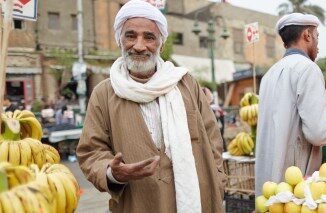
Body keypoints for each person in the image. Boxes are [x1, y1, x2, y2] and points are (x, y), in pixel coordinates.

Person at [76, 1, 226, 212]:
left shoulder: (184, 83)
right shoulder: (104, 93)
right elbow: (91, 152)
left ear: (161, 45)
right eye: (130, 36)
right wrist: (112, 173)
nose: (139, 46)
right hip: (137, 203)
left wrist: (218, 180)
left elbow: (212, 138)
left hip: (196, 201)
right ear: (120, 40)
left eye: (149, 37)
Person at [255, 13, 326, 195]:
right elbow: (319, 132)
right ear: (307, 35)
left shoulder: (270, 73)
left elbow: (290, 118)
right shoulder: (308, 68)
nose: (318, 44)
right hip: (294, 181)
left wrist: (325, 114)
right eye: (317, 37)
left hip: (270, 180)